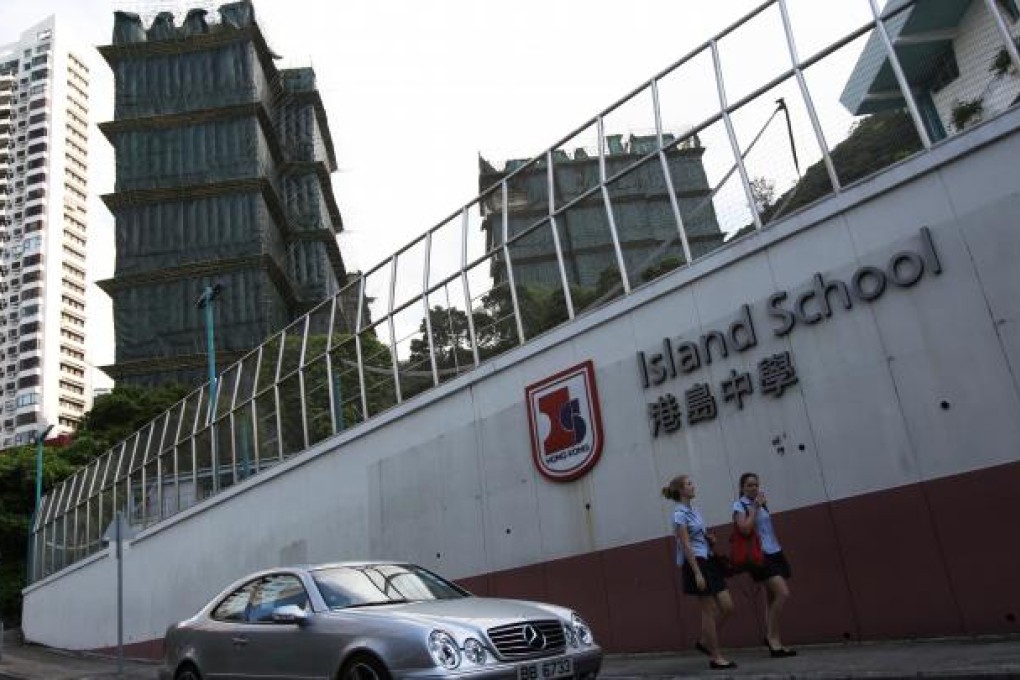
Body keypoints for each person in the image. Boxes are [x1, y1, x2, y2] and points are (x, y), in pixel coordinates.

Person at [663, 474, 737, 670]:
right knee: (709, 611)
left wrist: (709, 540)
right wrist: (696, 572)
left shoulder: (695, 511)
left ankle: (705, 641)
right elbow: (685, 544)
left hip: (708, 559)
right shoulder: (679, 514)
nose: (693, 486)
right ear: (680, 490)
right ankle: (716, 657)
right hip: (695, 563)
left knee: (728, 607)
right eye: (689, 484)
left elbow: (697, 537)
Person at [732, 472, 796, 658]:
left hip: (775, 551)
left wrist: (759, 506)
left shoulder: (761, 503)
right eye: (750, 485)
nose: (754, 488)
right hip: (760, 556)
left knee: (771, 598)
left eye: (756, 485)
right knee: (783, 593)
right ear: (742, 487)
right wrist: (754, 509)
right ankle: (771, 638)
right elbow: (744, 529)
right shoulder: (740, 505)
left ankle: (776, 641)